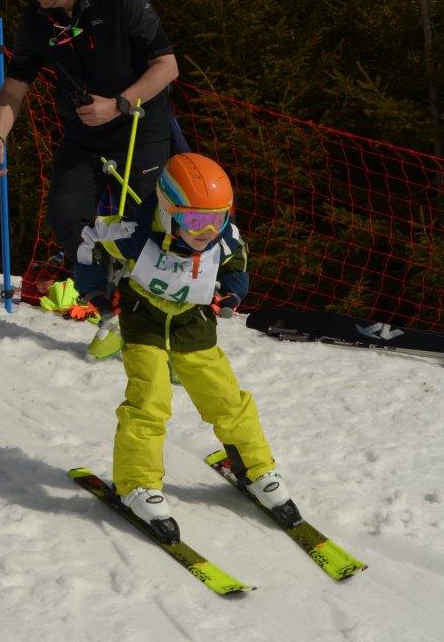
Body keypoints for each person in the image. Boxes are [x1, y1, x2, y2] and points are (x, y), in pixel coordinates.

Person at [74, 151, 301, 536]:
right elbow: (92, 238)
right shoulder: (134, 234)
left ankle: (257, 470)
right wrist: (96, 289)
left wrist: (232, 291)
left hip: (193, 322)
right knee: (149, 400)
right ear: (168, 209)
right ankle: (137, 484)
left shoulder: (221, 238)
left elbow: (237, 259)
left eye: (217, 218)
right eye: (195, 220)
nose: (207, 231)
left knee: (225, 398)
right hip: (144, 320)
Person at [0, 0, 178, 355]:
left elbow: (167, 66)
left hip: (139, 126)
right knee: (67, 216)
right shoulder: (36, 19)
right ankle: (110, 310)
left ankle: (159, 327)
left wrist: (118, 104)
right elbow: (14, 86)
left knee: (146, 228)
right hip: (83, 136)